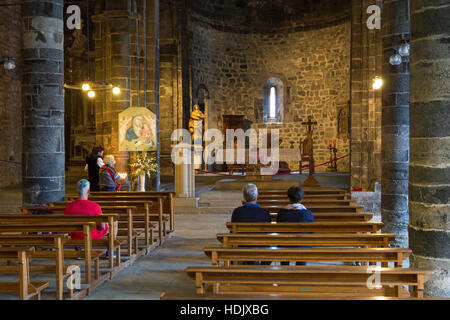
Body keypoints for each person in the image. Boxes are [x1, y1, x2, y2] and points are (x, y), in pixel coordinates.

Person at [231, 184, 271, 265]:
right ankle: (261, 267)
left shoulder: (237, 211)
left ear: (244, 196)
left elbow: (232, 230)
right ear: (257, 196)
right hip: (260, 245)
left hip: (241, 245)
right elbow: (268, 231)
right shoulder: (264, 212)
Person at [277, 186, 314, 266]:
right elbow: (311, 232)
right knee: (303, 246)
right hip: (302, 245)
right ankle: (300, 271)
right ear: (301, 199)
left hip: (285, 244)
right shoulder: (308, 213)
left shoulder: (282, 212)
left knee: (285, 251)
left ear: (288, 198)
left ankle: (284, 270)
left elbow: (278, 229)